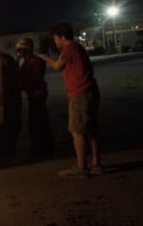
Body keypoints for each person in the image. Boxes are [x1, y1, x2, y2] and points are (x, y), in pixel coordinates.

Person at [43, 23, 103, 178]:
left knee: (77, 130)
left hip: (80, 93)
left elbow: (57, 66)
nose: (55, 41)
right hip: (89, 90)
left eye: (55, 38)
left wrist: (46, 58)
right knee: (91, 130)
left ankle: (81, 167)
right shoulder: (78, 47)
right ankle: (96, 164)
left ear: (62, 37)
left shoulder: (69, 48)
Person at [15, 37, 54, 159]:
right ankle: (40, 147)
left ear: (26, 50)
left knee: (39, 123)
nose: (19, 53)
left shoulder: (36, 62)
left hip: (37, 96)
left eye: (20, 50)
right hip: (33, 96)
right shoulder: (27, 62)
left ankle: (43, 149)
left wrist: (21, 84)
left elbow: (32, 79)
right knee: (34, 124)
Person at [0, 52, 21, 156]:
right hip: (6, 101)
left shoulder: (8, 72)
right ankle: (3, 148)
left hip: (9, 101)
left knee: (8, 126)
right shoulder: (5, 63)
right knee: (0, 127)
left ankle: (7, 150)